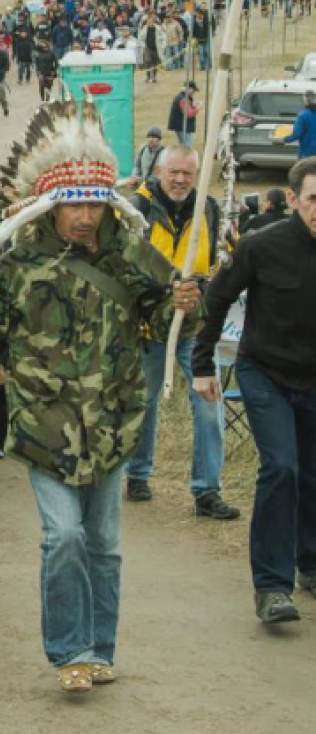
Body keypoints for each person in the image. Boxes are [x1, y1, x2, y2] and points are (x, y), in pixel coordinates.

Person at [0, 105, 202, 694]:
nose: (87, 216)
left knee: (107, 547)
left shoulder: (133, 254)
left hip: (115, 424)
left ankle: (100, 649)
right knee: (62, 537)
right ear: (53, 206)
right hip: (44, 429)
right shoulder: (16, 266)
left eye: (95, 204)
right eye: (75, 205)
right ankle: (70, 650)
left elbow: (166, 318)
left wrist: (184, 306)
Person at [192, 158, 316, 623]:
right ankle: (271, 587)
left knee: (312, 473)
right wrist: (202, 365)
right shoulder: (261, 247)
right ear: (293, 201)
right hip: (264, 371)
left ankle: (312, 564)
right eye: (313, 200)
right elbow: (217, 298)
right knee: (281, 467)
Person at [122, 146, 239, 517]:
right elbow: (127, 266)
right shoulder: (136, 210)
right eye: (174, 172)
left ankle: (207, 489)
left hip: (194, 324)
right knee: (146, 399)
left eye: (188, 173)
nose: (180, 180)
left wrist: (201, 292)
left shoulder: (209, 208)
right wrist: (163, 292)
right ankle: (138, 473)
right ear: (159, 170)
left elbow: (219, 265)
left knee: (209, 403)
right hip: (148, 323)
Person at [278, 90, 316, 161]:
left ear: (305, 100)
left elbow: (297, 134)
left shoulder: (303, 115)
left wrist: (283, 139)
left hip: (308, 153)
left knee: (306, 171)